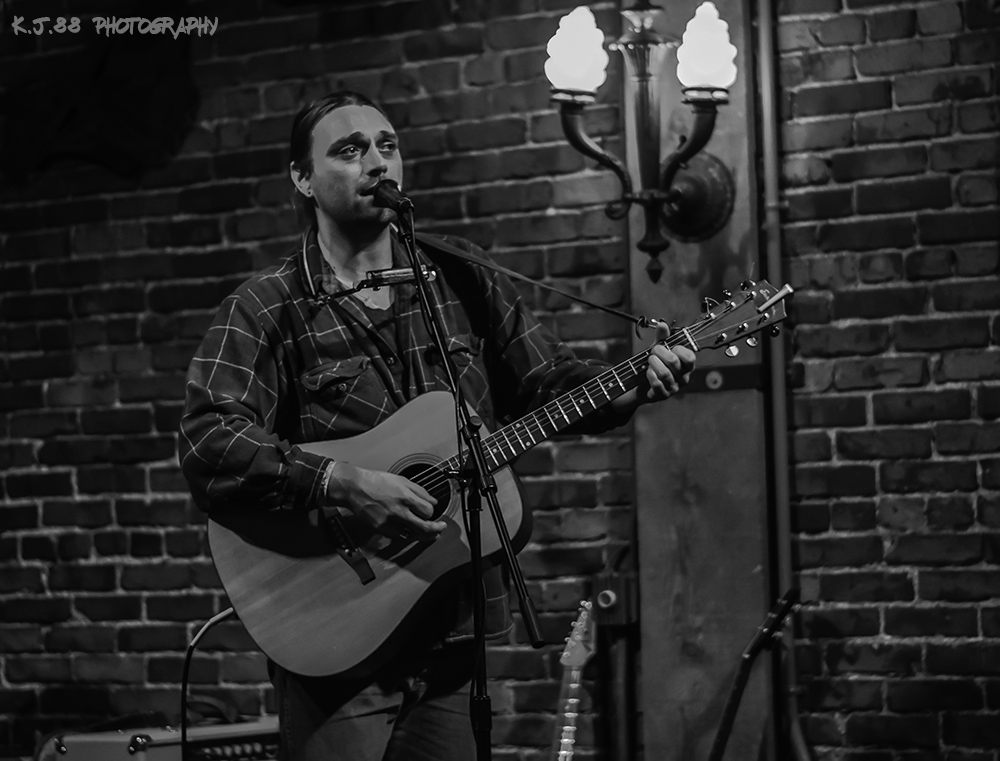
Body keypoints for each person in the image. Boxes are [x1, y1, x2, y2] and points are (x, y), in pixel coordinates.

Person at [178, 90, 695, 761]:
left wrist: (632, 385)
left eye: (387, 145)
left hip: (452, 631)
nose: (376, 161)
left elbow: (551, 384)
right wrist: (341, 481)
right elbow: (209, 440)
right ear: (302, 178)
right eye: (349, 149)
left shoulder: (458, 276)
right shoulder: (267, 306)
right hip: (338, 636)